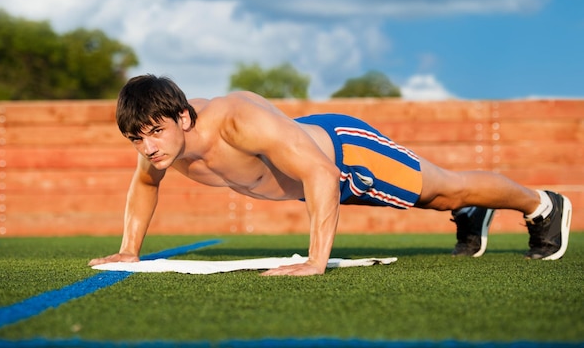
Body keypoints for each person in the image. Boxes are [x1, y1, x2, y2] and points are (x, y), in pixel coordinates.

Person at [89, 74, 572, 276]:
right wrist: (131, 248)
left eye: (154, 132)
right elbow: (144, 185)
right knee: (441, 197)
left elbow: (321, 173)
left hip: (345, 154)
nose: (147, 146)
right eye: (137, 138)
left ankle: (543, 205)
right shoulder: (157, 149)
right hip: (310, 165)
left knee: (443, 189)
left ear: (184, 118)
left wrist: (315, 260)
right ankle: (471, 213)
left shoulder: (236, 120)